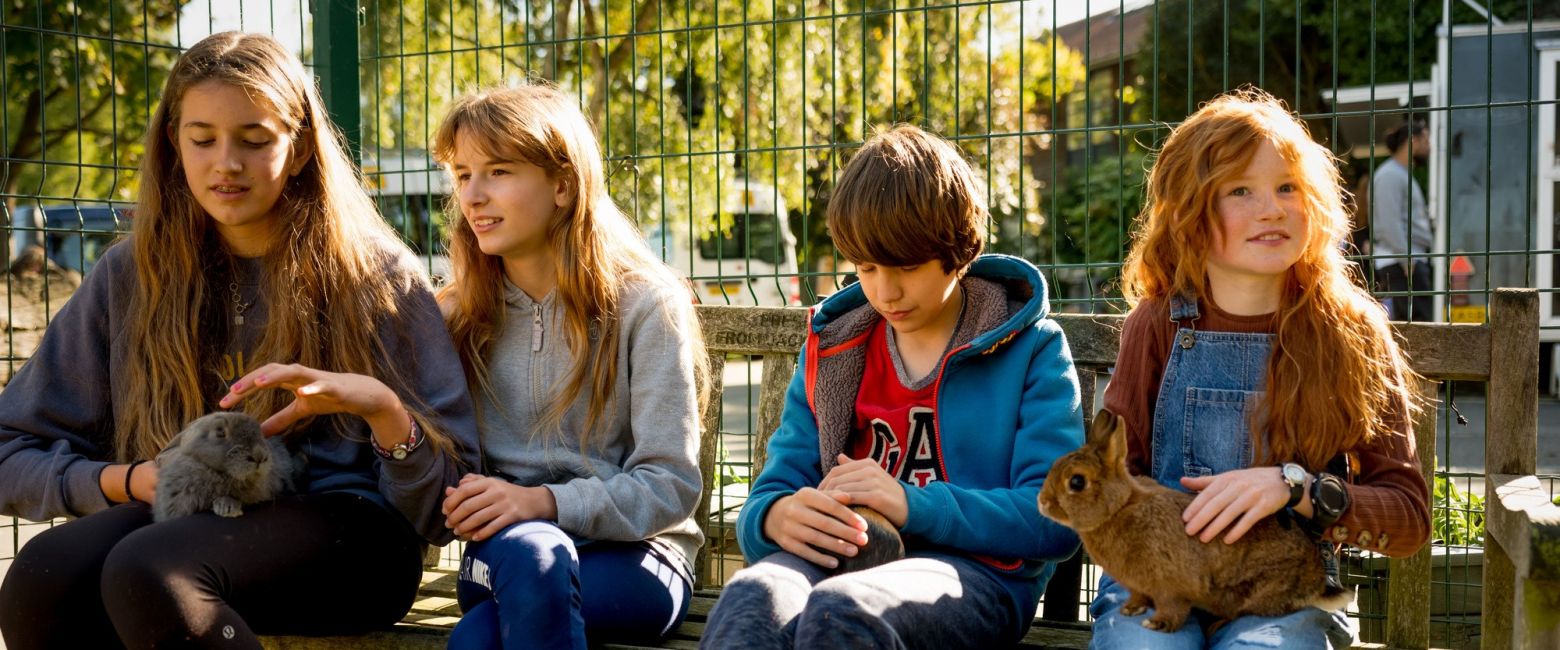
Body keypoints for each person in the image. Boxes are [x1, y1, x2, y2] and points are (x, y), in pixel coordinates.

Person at [0, 32, 479, 648]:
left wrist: (382, 411)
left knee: (150, 570)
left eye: (254, 141)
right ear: (174, 145)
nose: (226, 162)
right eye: (202, 139)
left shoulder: (378, 277)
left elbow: (449, 494)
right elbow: (10, 447)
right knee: (44, 575)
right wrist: (129, 482)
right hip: (191, 515)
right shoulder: (130, 276)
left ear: (302, 149)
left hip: (356, 536)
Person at [700, 124, 1085, 649]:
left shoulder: (1032, 347)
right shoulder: (836, 348)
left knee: (843, 611)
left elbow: (1058, 517)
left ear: (958, 247)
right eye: (866, 268)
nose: (886, 291)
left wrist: (910, 504)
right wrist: (774, 518)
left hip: (972, 579)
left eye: (907, 266)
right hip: (839, 561)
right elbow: (774, 489)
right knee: (752, 597)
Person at [1092, 88, 1431, 649]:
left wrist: (1295, 488)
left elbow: (1408, 517)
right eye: (1240, 190)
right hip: (1160, 583)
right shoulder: (1157, 325)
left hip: (1280, 593)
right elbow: (1114, 478)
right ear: (1189, 212)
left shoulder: (1350, 332)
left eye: (1287, 188)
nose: (1271, 208)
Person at [431, 84, 708, 650]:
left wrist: (547, 502)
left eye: (499, 171)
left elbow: (671, 485)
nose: (474, 196)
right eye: (463, 175)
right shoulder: (458, 314)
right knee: (534, 559)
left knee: (481, 638)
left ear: (563, 184)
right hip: (506, 551)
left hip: (639, 558)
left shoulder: (646, 304)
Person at [1370, 121, 1435, 321]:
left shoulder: (1399, 174)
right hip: (1403, 264)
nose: (1429, 146)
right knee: (1414, 331)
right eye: (1426, 140)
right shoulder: (1390, 175)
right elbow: (1390, 221)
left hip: (1407, 262)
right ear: (1413, 141)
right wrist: (1405, 258)